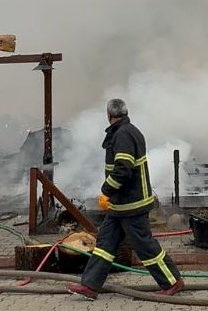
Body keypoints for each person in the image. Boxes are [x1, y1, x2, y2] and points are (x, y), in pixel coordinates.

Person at [67, 98, 185, 300]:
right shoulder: (126, 131)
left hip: (131, 204)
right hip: (120, 205)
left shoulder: (124, 135)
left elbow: (123, 169)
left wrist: (106, 190)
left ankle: (173, 281)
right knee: (105, 244)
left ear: (109, 115)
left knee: (144, 246)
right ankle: (90, 286)